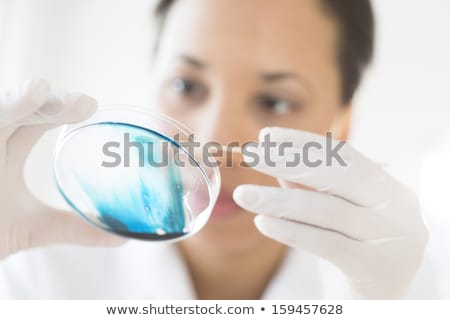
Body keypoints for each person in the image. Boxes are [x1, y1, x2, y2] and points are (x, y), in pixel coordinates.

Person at [0, 0, 434, 299]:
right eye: (187, 86)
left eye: (276, 101)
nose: (212, 145)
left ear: (341, 127)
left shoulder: (406, 287)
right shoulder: (37, 276)